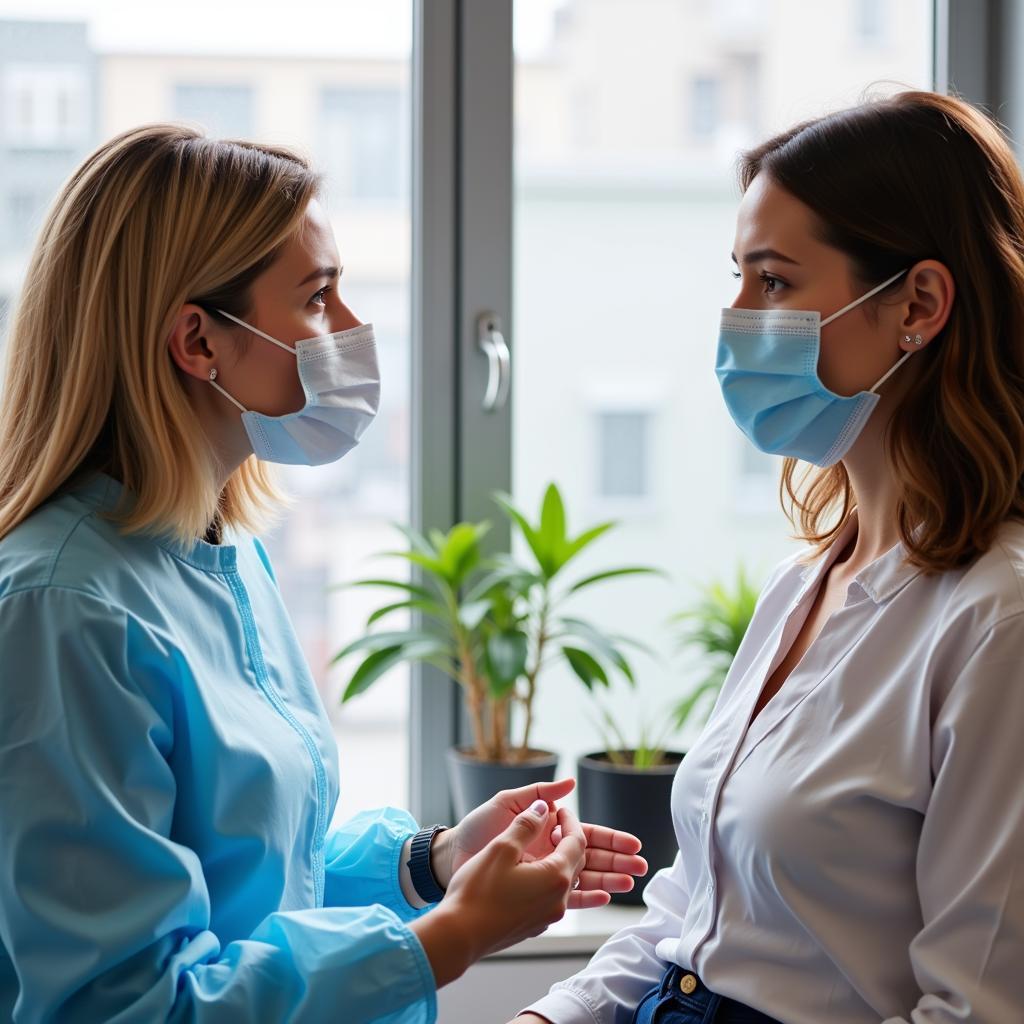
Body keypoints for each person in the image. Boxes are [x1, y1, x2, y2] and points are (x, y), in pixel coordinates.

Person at [0, 124, 649, 1022]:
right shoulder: (64, 610)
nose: (350, 330)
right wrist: (450, 936)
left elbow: (261, 878)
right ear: (199, 341)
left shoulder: (221, 558)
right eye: (317, 297)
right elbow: (124, 1005)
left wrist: (434, 862)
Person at [516, 90, 1024, 1024]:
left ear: (918, 303)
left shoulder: (997, 620)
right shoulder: (805, 583)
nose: (737, 318)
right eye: (739, 279)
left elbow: (977, 1006)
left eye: (775, 282)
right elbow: (694, 916)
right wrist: (548, 1017)